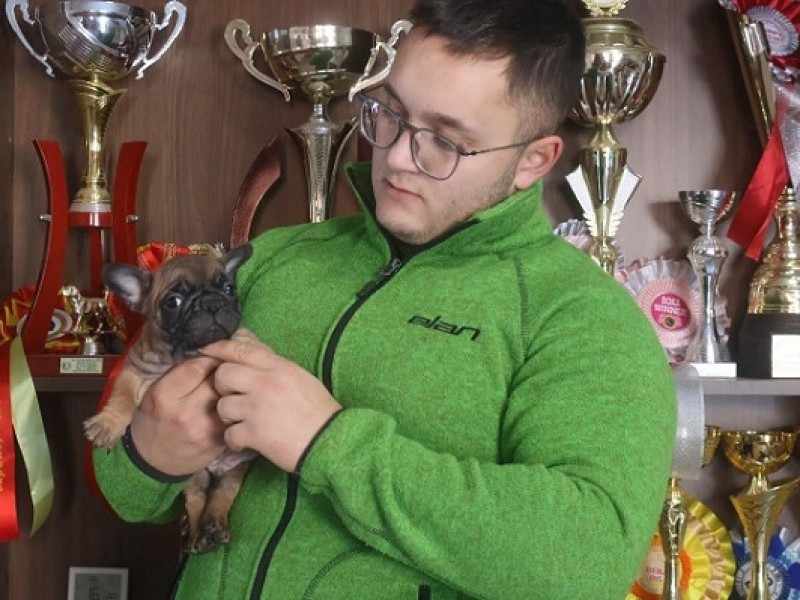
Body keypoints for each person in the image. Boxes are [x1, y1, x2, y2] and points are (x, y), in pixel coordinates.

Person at [93, 1, 677, 598]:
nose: (396, 157)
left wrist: (327, 443)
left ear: (534, 160)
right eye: (389, 113)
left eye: (446, 141)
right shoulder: (270, 261)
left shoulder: (584, 317)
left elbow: (590, 561)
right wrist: (149, 455)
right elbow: (127, 495)